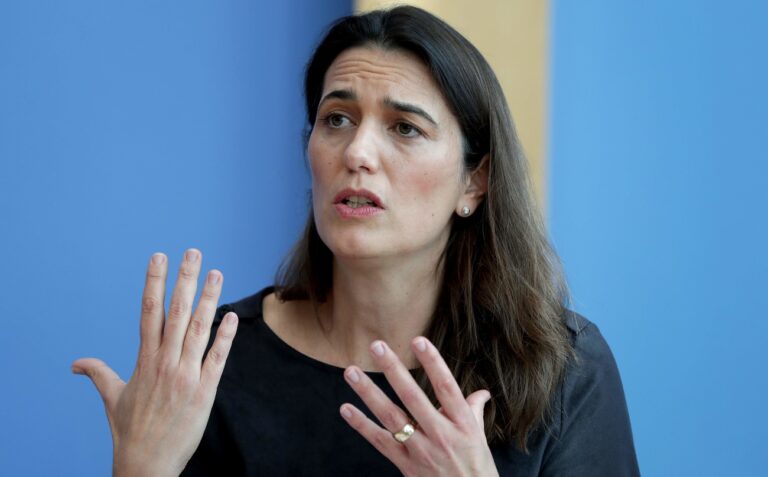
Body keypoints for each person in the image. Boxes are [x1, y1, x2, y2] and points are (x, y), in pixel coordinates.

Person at [72, 6, 639, 476]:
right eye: (337, 119)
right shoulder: (209, 366)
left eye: (405, 128)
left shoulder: (562, 370)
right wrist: (140, 469)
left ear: (475, 181)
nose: (357, 153)